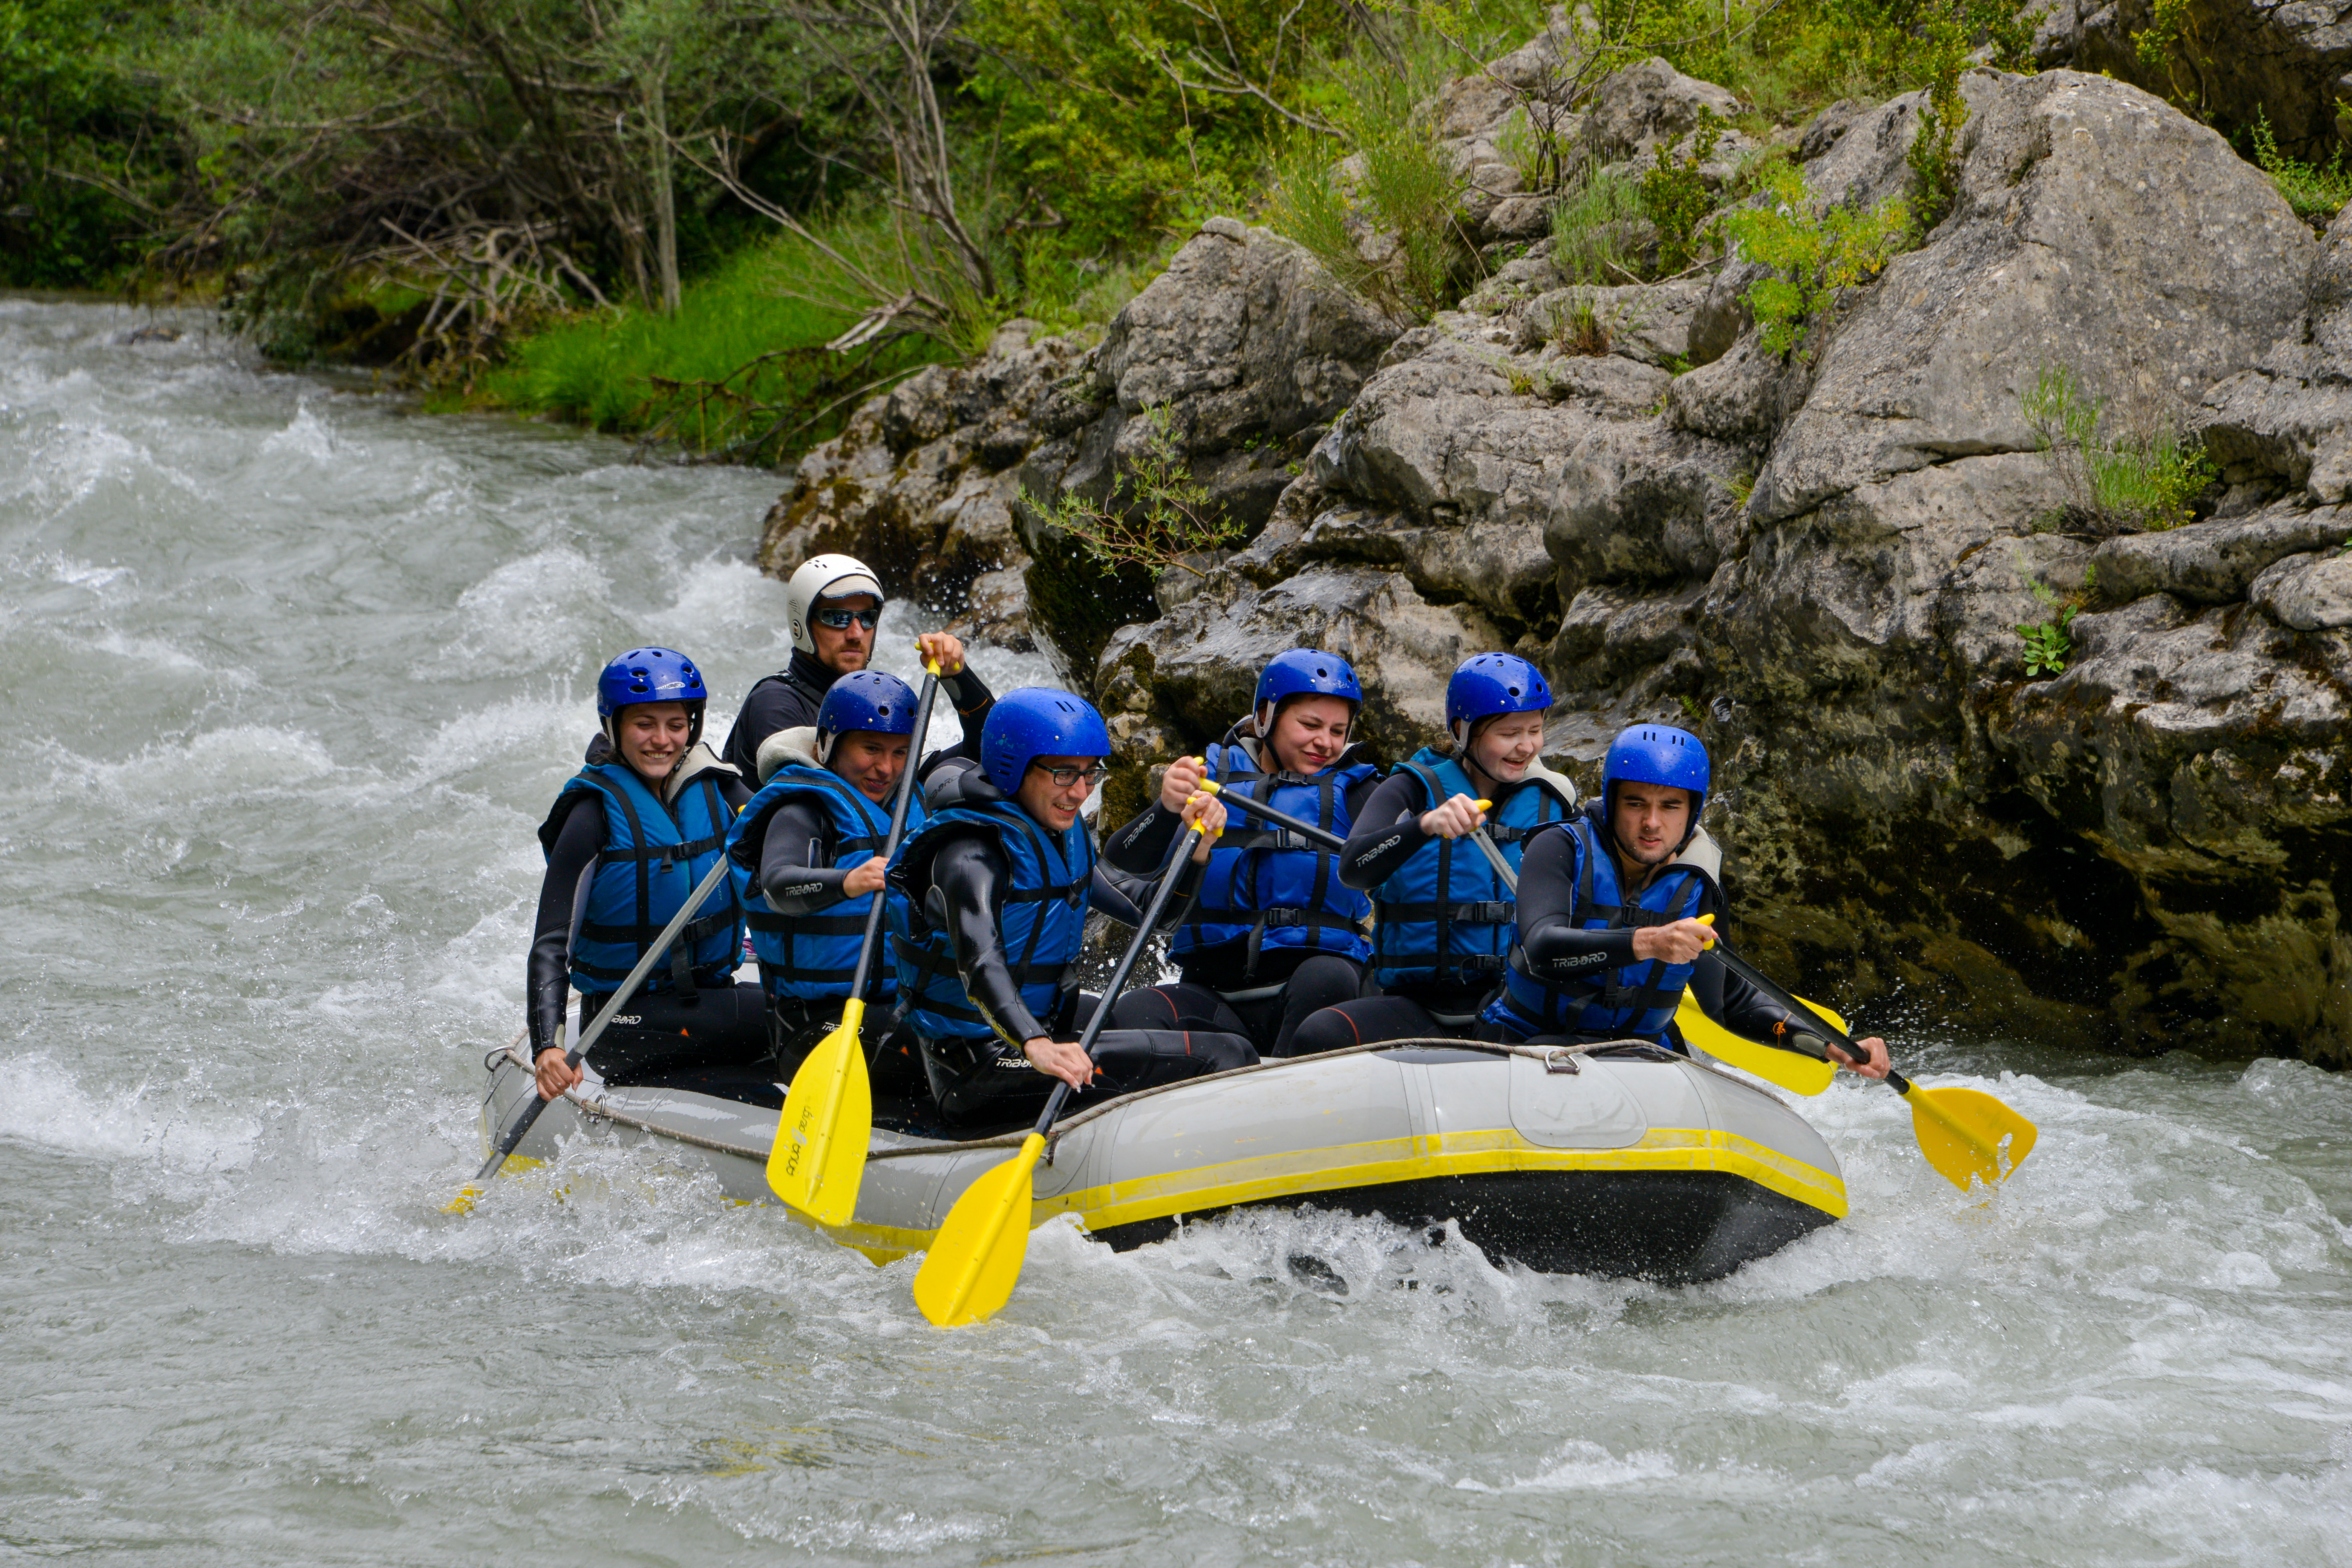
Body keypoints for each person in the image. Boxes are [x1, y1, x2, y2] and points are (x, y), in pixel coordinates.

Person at [890, 688, 1257, 1126]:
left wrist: (1198, 852)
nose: (1081, 791)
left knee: (1202, 1033)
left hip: (1034, 1040)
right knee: (1227, 1055)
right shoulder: (969, 856)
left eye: (1090, 774)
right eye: (1064, 774)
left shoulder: (1062, 839)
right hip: (976, 1069)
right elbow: (981, 965)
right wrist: (1035, 1043)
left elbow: (1155, 919)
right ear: (1013, 768)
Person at [1476, 722, 1891, 1077]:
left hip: (1639, 1059)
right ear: (1613, 801)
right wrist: (1649, 942)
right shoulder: (1559, 848)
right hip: (1528, 1046)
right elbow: (1542, 949)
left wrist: (1827, 1045)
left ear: (1692, 811)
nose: (1652, 822)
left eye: (1670, 806)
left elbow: (1730, 1000)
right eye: (1636, 803)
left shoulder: (1697, 886)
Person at [1101, 649, 1382, 1060]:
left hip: (1314, 989)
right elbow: (1122, 864)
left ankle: (1284, 1093)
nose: (1325, 742)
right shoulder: (1207, 780)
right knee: (1136, 1009)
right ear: (1266, 717)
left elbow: (1413, 866)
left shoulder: (1361, 793)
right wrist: (1166, 810)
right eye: (1310, 724)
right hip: (1214, 993)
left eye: (1339, 731)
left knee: (1327, 977)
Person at [1291, 653, 1578, 1053]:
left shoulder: (1555, 804)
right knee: (1319, 1034)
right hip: (1418, 1007)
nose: (1526, 746)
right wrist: (1424, 825)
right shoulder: (1409, 789)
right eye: (1510, 733)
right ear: (1463, 730)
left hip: (1511, 1009)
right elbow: (1353, 870)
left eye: (1535, 730)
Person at [724, 668, 988, 1096]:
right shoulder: (802, 808)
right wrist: (848, 881)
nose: (885, 768)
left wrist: (958, 675)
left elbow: (989, 747)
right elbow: (778, 884)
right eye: (871, 748)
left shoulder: (911, 797)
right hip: (820, 1025)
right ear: (827, 744)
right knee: (968, 1046)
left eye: (901, 752)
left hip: (899, 1004)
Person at [527, 648, 768, 1102]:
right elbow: (552, 941)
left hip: (705, 1000)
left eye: (676, 725)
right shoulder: (591, 812)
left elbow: (782, 829)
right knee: (790, 1021)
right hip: (622, 1022)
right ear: (614, 725)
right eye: (644, 724)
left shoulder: (719, 788)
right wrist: (548, 1045)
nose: (662, 739)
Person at [718, 552, 990, 779]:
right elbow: (816, 797)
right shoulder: (774, 702)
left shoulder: (875, 700)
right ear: (801, 626)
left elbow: (990, 752)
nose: (856, 633)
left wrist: (958, 676)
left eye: (867, 618)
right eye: (838, 618)